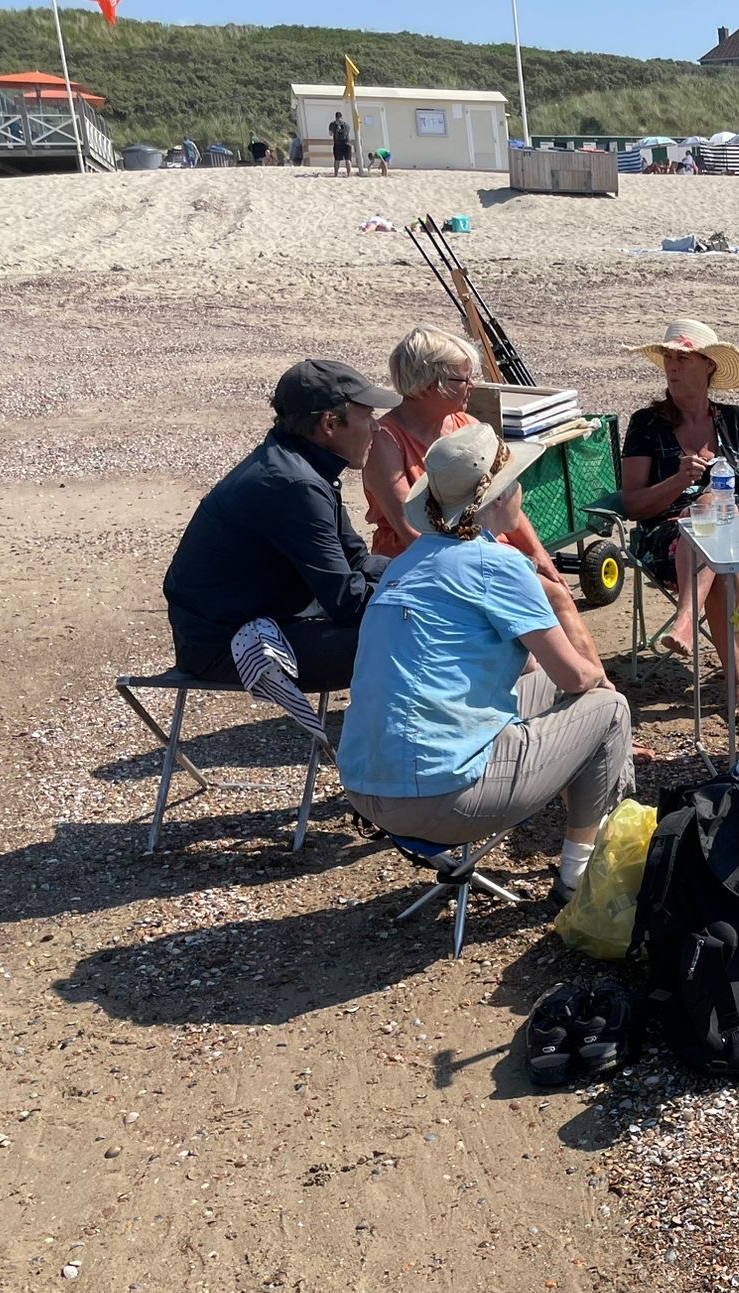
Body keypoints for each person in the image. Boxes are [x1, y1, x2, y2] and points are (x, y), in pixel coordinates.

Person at [336, 423, 633, 905]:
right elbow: (574, 676)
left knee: (563, 700)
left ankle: (588, 830)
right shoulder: (496, 563)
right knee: (608, 707)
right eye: (516, 482)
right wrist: (597, 679)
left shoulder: (407, 561)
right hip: (437, 799)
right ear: (498, 499)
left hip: (364, 786)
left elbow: (507, 673)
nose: (521, 493)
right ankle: (580, 878)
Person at [360, 326, 597, 661]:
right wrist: (496, 566)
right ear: (429, 383)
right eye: (463, 379)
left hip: (482, 549)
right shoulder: (386, 440)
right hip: (425, 562)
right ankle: (589, 687)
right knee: (545, 601)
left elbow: (505, 494)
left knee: (555, 590)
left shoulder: (464, 425)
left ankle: (582, 686)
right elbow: (412, 533)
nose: (473, 386)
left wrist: (539, 556)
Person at [163, 358, 398, 690]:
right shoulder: (294, 484)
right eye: (367, 416)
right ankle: (399, 740)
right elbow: (348, 602)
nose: (376, 427)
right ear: (330, 424)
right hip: (230, 647)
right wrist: (422, 599)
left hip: (252, 625)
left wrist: (419, 573)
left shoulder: (302, 467)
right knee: (409, 631)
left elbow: (356, 560)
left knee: (413, 620)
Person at [615, 319, 739, 720]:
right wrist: (676, 481)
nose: (672, 365)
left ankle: (688, 621)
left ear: (708, 366)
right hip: (666, 537)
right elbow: (632, 505)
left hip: (730, 538)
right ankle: (738, 685)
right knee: (711, 525)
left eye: (683, 358)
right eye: (669, 357)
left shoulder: (738, 420)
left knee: (719, 538)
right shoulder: (646, 424)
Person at [329, 112, 352, 177]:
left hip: (337, 144)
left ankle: (336, 174)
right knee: (348, 159)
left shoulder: (332, 124)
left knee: (337, 160)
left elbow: (330, 133)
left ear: (335, 117)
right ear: (341, 117)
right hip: (347, 143)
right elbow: (348, 133)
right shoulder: (346, 124)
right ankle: (349, 174)